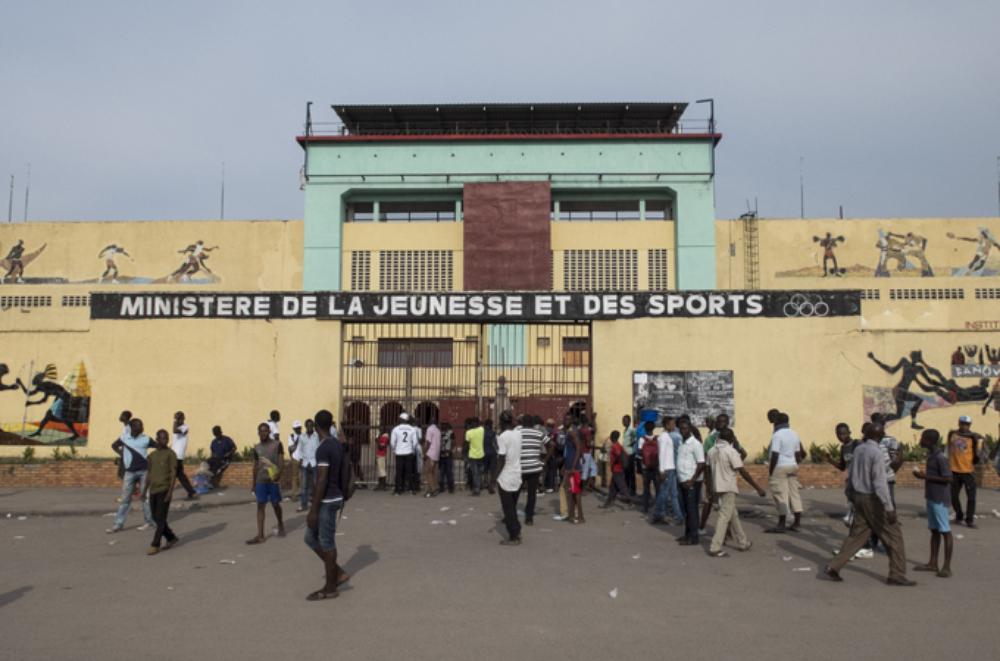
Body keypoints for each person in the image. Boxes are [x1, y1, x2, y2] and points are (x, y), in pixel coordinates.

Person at [825, 423, 914, 586]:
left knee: (857, 535)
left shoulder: (859, 449)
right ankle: (897, 574)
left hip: (858, 496)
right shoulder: (876, 453)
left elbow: (851, 473)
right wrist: (889, 507)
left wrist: (850, 494)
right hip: (873, 499)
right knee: (894, 535)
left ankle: (834, 566)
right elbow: (880, 483)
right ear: (879, 436)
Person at [304, 409, 353, 601]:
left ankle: (330, 587)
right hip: (334, 497)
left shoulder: (324, 448)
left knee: (327, 543)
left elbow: (322, 479)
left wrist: (313, 510)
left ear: (316, 426)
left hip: (328, 500)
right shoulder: (336, 444)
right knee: (310, 537)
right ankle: (337, 572)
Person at [706, 429, 767, 557]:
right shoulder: (731, 451)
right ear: (732, 438)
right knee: (724, 516)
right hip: (728, 487)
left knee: (733, 515)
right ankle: (715, 547)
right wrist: (758, 488)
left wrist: (709, 488)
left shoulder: (711, 451)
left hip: (717, 487)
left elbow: (707, 470)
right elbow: (743, 472)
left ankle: (743, 542)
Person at [913, 429, 954, 578]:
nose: (920, 440)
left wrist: (925, 477)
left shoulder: (940, 457)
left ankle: (946, 566)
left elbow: (948, 478)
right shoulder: (932, 455)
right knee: (934, 531)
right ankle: (933, 563)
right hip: (931, 497)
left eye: (923, 438)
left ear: (930, 440)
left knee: (945, 531)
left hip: (939, 499)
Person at [107, 418, 155, 533]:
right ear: (132, 427)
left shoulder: (146, 439)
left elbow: (158, 447)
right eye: (139, 426)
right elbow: (114, 445)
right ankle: (118, 524)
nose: (142, 428)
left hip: (144, 472)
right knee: (125, 499)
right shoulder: (124, 438)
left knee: (145, 497)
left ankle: (149, 521)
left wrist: (153, 459)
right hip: (129, 472)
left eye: (142, 425)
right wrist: (122, 454)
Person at [247, 421, 285, 544]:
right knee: (260, 505)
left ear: (269, 431)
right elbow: (255, 466)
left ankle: (280, 523)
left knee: (275, 504)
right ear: (258, 433)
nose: (263, 433)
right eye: (260, 431)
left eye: (265, 431)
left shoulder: (277, 445)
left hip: (273, 480)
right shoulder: (256, 448)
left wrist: (278, 474)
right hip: (261, 480)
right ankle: (260, 535)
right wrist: (253, 484)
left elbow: (281, 462)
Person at [766, 412, 803, 533]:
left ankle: (781, 524)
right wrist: (795, 465)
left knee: (780, 495)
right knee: (794, 494)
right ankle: (797, 523)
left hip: (780, 466)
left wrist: (771, 470)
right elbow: (798, 454)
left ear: (777, 422)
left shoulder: (777, 435)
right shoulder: (794, 433)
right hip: (792, 465)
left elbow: (775, 454)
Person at [146, 429, 179, 555]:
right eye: (163, 438)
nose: (165, 440)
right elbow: (149, 473)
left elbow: (173, 474)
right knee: (155, 517)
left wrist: (170, 492)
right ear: (157, 439)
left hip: (164, 490)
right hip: (153, 490)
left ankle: (155, 544)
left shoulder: (171, 454)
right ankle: (171, 537)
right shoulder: (152, 455)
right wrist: (144, 490)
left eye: (167, 438)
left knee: (160, 518)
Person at [675, 418, 706, 546]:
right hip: (682, 480)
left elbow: (701, 463)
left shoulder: (695, 444)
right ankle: (687, 534)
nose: (683, 431)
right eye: (681, 429)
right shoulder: (681, 443)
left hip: (691, 482)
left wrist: (692, 480)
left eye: (685, 428)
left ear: (690, 429)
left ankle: (694, 537)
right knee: (686, 509)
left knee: (692, 509)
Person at [948, 415, 982, 528]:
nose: (964, 426)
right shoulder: (952, 434)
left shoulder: (973, 437)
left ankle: (969, 520)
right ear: (959, 423)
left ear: (970, 425)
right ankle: (959, 515)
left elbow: (977, 456)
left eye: (967, 424)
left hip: (968, 472)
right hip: (954, 471)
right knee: (953, 496)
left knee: (971, 498)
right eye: (962, 424)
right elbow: (947, 449)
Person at [496, 411, 523, 545]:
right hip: (517, 474)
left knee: (508, 508)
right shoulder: (518, 434)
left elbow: (501, 459)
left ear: (501, 422)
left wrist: (493, 478)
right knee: (512, 506)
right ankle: (516, 530)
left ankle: (514, 536)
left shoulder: (502, 437)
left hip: (505, 476)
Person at [651, 416, 684, 524]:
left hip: (672, 468)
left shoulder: (669, 436)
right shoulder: (663, 437)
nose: (674, 426)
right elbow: (661, 454)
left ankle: (679, 516)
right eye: (672, 424)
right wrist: (662, 470)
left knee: (674, 494)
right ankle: (658, 514)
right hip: (667, 468)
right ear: (666, 425)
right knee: (664, 493)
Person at [518, 415, 547, 525]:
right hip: (535, 468)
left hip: (520, 468)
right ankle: (529, 517)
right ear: (532, 423)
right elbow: (551, 444)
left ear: (522, 423)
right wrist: (544, 461)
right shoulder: (538, 433)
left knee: (514, 492)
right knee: (531, 494)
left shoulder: (517, 432)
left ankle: (509, 515)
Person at [600, 431, 632, 508]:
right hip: (617, 469)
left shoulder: (615, 446)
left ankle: (629, 501)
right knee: (612, 488)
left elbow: (618, 454)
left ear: (612, 437)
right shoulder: (618, 445)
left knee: (622, 487)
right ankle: (608, 503)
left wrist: (614, 462)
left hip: (617, 469)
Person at [390, 413, 420, 496]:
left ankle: (398, 490)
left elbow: (392, 442)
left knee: (399, 472)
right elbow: (415, 442)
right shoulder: (412, 429)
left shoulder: (396, 429)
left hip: (399, 453)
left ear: (401, 419)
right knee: (409, 472)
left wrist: (394, 449)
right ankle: (411, 489)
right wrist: (412, 449)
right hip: (409, 453)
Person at [295, 419, 320, 512]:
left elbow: (320, 448)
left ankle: (317, 505)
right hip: (305, 464)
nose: (309, 427)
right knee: (304, 486)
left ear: (313, 426)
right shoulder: (302, 437)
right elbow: (300, 449)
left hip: (314, 463)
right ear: (305, 426)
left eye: (311, 425)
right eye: (308, 425)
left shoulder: (317, 436)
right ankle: (303, 505)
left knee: (316, 485)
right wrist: (300, 460)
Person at [171, 411, 197, 500]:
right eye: (176, 418)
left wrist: (175, 422)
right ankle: (191, 492)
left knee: (173, 474)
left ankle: (191, 492)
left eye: (178, 418)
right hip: (174, 454)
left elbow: (174, 430)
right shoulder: (177, 426)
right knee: (180, 475)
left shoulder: (185, 427)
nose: (177, 420)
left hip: (178, 455)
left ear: (183, 418)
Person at [637, 421, 660, 514]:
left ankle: (645, 508)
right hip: (656, 466)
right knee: (657, 488)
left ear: (645, 429)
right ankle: (658, 507)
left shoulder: (642, 439)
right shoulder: (657, 439)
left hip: (645, 467)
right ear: (653, 428)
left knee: (646, 488)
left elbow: (639, 452)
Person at [465, 418, 485, 496]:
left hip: (473, 455)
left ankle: (476, 490)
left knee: (475, 473)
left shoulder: (468, 432)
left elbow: (467, 444)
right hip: (481, 454)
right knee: (479, 473)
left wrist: (465, 454)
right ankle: (479, 486)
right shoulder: (481, 430)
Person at [111, 410, 133, 482]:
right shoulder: (125, 426)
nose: (120, 417)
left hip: (128, 451)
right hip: (125, 451)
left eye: (122, 415)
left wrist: (123, 453)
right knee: (123, 474)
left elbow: (128, 439)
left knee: (125, 474)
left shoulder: (129, 427)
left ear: (126, 417)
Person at [423, 418, 441, 498]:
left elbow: (428, 442)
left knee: (428, 472)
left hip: (430, 453)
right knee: (433, 472)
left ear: (429, 422)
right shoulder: (438, 430)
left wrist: (425, 453)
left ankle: (432, 490)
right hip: (436, 453)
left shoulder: (429, 429)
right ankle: (433, 488)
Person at [621, 414, 637, 497]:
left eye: (625, 420)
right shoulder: (625, 430)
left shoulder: (631, 430)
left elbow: (635, 439)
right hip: (625, 454)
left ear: (629, 421)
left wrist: (630, 444)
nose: (624, 422)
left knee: (631, 473)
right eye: (623, 420)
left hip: (630, 453)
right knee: (626, 472)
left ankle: (633, 490)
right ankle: (627, 489)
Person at [437, 422, 455, 494]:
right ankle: (441, 487)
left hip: (448, 454)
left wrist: (450, 450)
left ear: (447, 426)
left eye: (444, 425)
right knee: (441, 472)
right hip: (441, 454)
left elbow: (453, 442)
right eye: (442, 424)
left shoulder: (451, 433)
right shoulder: (439, 433)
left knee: (449, 472)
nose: (443, 426)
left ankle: (451, 487)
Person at [288, 421, 304, 500]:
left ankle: (303, 494)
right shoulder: (291, 436)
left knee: (303, 477)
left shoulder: (304, 436)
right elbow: (291, 448)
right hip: (295, 458)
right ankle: (294, 495)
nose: (298, 429)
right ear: (294, 429)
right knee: (295, 477)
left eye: (299, 428)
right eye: (297, 428)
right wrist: (297, 441)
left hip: (303, 458)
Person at [542, 418, 558, 493]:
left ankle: (545, 485)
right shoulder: (555, 432)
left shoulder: (544, 431)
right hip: (552, 453)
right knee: (551, 470)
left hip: (544, 453)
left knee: (546, 470)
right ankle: (550, 486)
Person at [483, 419, 498, 495]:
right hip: (492, 453)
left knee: (485, 470)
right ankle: (491, 485)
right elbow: (495, 443)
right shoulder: (493, 433)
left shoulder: (482, 433)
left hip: (484, 453)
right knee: (492, 470)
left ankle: (486, 483)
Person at [375, 425, 390, 491]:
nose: (379, 430)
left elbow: (381, 447)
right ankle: (380, 484)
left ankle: (383, 485)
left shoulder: (384, 437)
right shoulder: (382, 436)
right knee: (380, 470)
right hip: (379, 455)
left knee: (382, 470)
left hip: (381, 455)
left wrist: (377, 440)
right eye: (379, 428)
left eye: (381, 429)